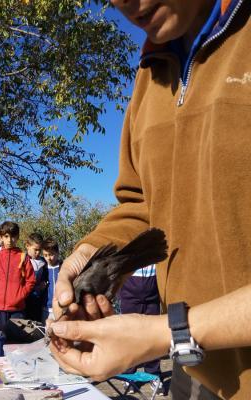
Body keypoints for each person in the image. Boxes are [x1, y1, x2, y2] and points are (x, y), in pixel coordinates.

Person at [49, 1, 251, 399]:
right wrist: (92, 257)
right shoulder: (151, 72)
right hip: (195, 371)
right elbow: (140, 200)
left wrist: (169, 332)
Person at [118, 265, 164, 395]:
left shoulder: (156, 253)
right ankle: (128, 376)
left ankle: (153, 375)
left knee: (153, 338)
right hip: (129, 297)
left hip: (152, 299)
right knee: (130, 338)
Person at [0, 221, 36, 332]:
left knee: (17, 340)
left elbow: (31, 281)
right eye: (6, 236)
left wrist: (20, 295)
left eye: (13, 236)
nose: (9, 240)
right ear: (1, 237)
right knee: (0, 339)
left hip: (18, 309)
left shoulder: (23, 257)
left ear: (17, 237)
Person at [24, 232, 47, 322]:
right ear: (27, 246)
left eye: (39, 250)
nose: (38, 252)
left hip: (39, 300)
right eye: (35, 250)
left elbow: (46, 278)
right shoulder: (22, 260)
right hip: (25, 299)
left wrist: (44, 284)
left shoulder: (44, 262)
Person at [41, 238, 62, 323]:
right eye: (45, 255)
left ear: (57, 253)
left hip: (61, 308)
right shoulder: (43, 270)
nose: (48, 258)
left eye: (51, 254)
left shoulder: (64, 268)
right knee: (46, 330)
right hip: (46, 309)